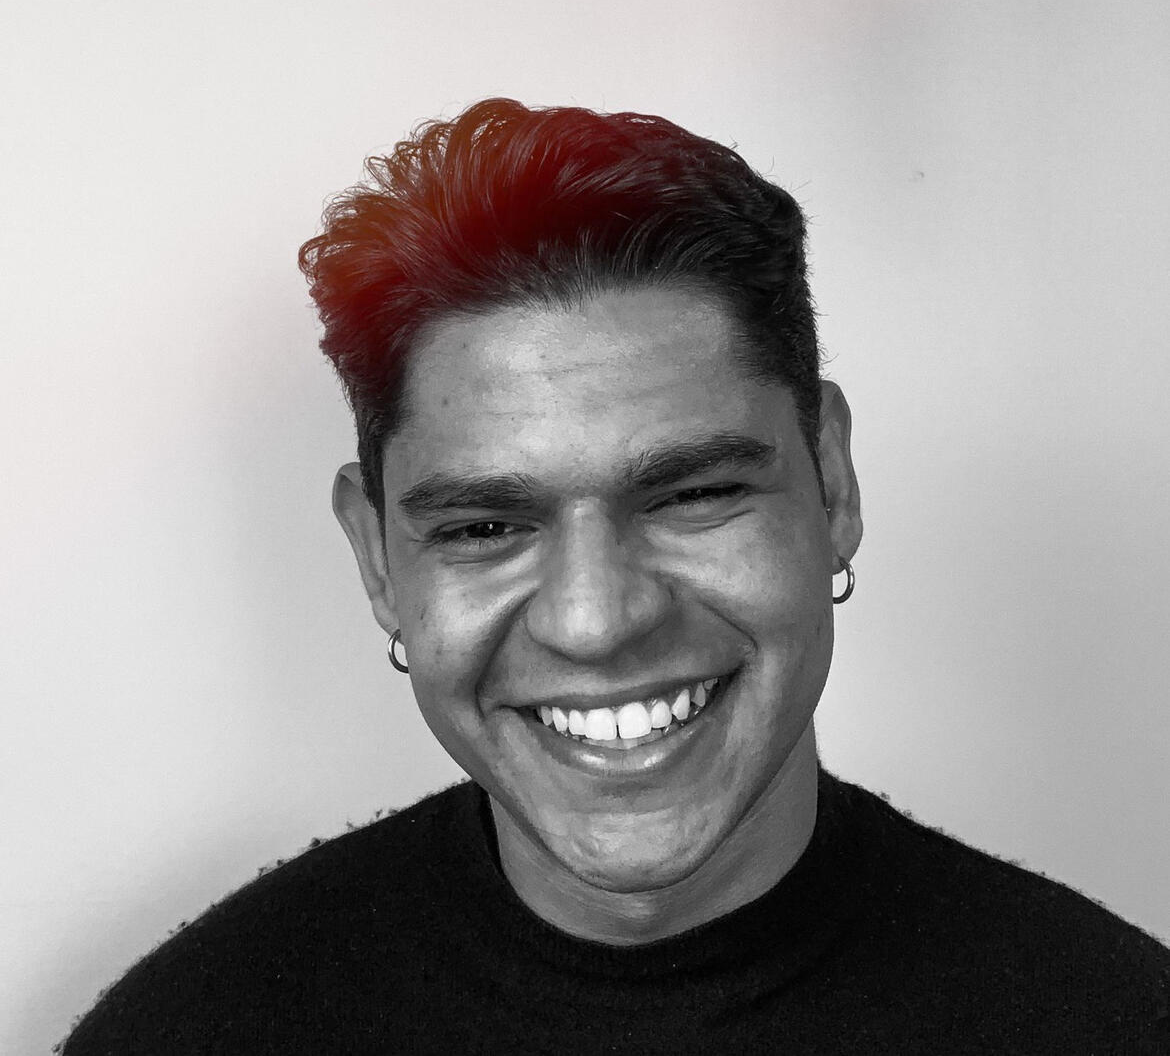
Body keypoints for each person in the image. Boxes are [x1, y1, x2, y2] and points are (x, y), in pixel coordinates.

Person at [63, 98, 1168, 1054]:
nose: (595, 621)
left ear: (831, 483)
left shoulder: (1114, 1020)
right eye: (486, 525)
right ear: (377, 559)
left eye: (692, 495)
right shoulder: (192, 1032)